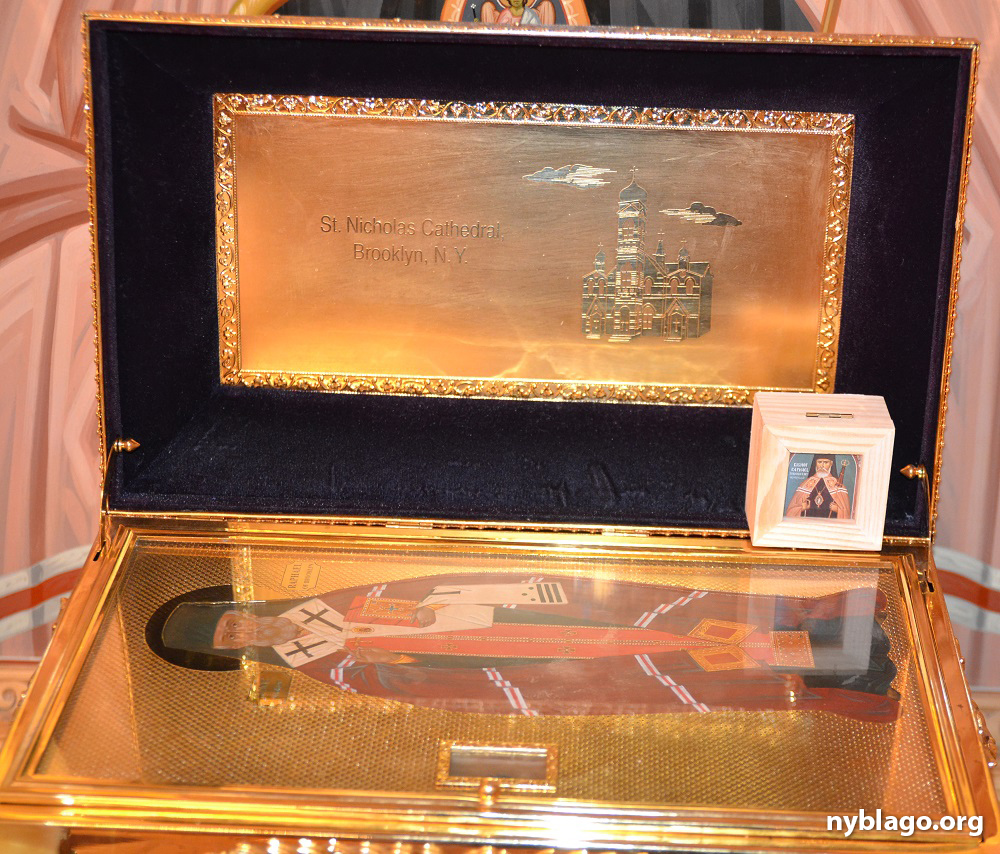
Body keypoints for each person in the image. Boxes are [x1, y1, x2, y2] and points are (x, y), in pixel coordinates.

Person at [148, 571, 898, 720]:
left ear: (242, 605)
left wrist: (525, 587)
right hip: (534, 661)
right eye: (233, 641)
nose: (247, 630)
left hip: (549, 609)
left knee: (687, 616)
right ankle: (845, 675)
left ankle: (833, 633)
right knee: (685, 666)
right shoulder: (328, 669)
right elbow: (432, 689)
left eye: (235, 618)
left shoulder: (334, 603)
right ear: (237, 656)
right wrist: (526, 687)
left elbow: (442, 582)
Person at [785, 454, 852, 519]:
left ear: (831, 464)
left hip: (830, 524)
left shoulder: (838, 485)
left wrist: (838, 509)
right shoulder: (806, 484)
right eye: (819, 462)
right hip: (808, 523)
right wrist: (802, 508)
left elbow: (845, 512)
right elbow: (791, 511)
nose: (822, 466)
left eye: (826, 462)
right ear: (815, 463)